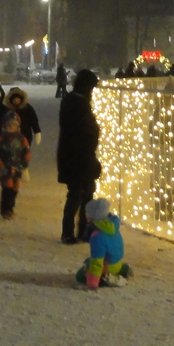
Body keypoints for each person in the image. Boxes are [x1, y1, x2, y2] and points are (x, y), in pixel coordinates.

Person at [55, 68, 100, 244]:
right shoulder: (75, 103)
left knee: (87, 193)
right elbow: (77, 131)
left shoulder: (76, 101)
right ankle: (68, 232)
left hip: (82, 156)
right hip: (76, 157)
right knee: (76, 194)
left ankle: (83, 230)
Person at [76, 199, 131, 289]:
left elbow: (97, 261)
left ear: (92, 216)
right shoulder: (112, 226)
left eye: (87, 212)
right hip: (117, 261)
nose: (85, 214)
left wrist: (92, 283)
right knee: (88, 261)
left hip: (108, 265)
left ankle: (105, 278)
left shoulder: (97, 236)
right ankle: (123, 269)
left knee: (80, 275)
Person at [0, 109, 31, 220]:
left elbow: (26, 151)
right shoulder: (1, 139)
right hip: (5, 167)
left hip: (17, 166)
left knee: (15, 187)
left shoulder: (21, 139)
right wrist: (0, 166)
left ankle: (11, 206)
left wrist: (24, 164)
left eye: (14, 125)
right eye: (9, 126)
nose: (11, 128)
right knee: (7, 186)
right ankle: (5, 209)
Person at [7, 87, 41, 151]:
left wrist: (37, 132)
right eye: (14, 99)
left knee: (24, 153)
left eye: (18, 99)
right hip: (11, 136)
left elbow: (34, 120)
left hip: (26, 134)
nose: (16, 101)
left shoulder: (27, 108)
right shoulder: (7, 109)